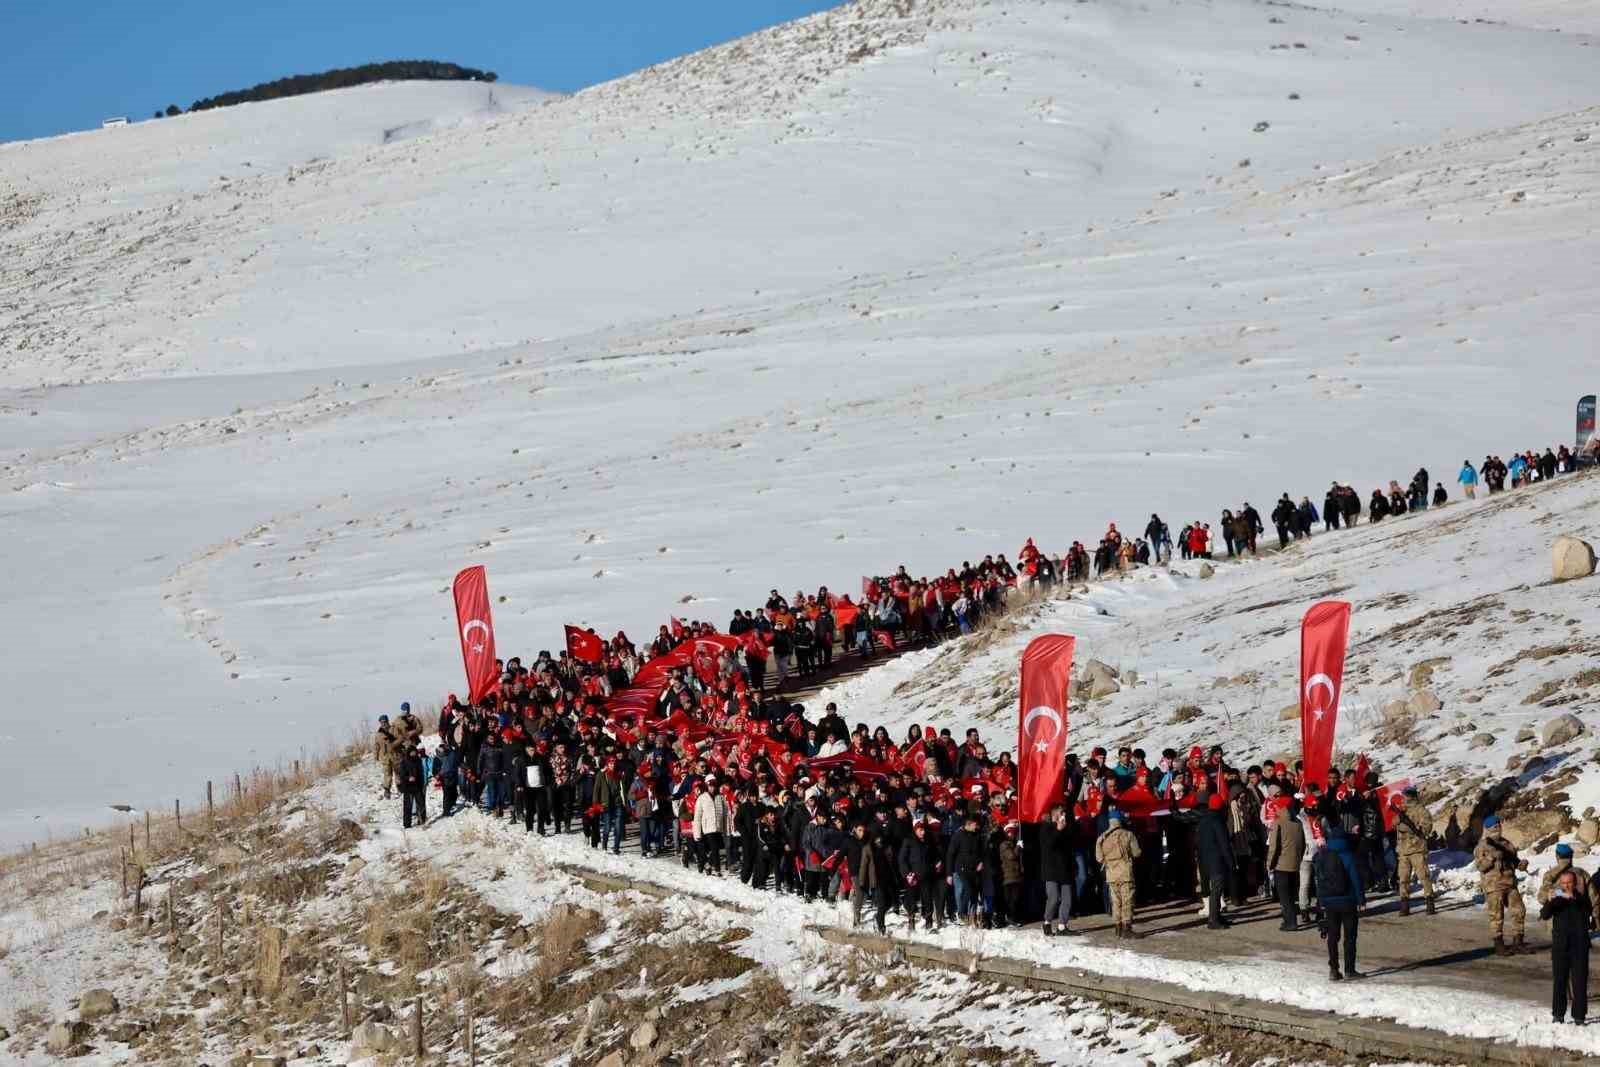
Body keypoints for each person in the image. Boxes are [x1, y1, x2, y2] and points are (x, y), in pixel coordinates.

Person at [1539, 858, 1594, 1025]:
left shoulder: (1582, 898)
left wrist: (1574, 899)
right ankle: (1558, 1014)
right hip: (1561, 946)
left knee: (1579, 982)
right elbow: (1545, 914)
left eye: (1569, 883)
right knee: (1560, 981)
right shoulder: (1557, 899)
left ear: (1575, 883)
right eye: (1563, 883)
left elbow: (1587, 911)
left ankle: (1579, 1016)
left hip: (1579, 946)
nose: (1566, 886)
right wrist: (1549, 900)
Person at [1317, 821, 1365, 981]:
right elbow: (1355, 879)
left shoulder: (1322, 855)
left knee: (1332, 936)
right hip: (1348, 900)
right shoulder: (1348, 854)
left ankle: (1333, 970)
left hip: (1330, 902)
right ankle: (1350, 970)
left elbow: (1320, 880)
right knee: (1350, 936)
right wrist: (1361, 898)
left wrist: (1321, 901)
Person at [1474, 815, 1529, 955]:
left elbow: (1514, 863)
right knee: (1497, 915)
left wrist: (1521, 864)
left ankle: (1519, 942)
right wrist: (1492, 857)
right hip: (1494, 886)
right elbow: (1480, 866)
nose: (1497, 827)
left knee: (1519, 911)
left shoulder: (1507, 844)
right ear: (1487, 829)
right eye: (1494, 826)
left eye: (1498, 825)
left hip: (1510, 883)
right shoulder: (1482, 846)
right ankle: (1499, 944)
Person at [1095, 811, 1142, 938]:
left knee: (1115, 901)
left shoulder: (1102, 838)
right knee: (1127, 900)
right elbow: (1137, 853)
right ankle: (1127, 928)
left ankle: (1117, 927)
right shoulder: (1127, 834)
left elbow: (1099, 858)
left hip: (1111, 874)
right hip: (1125, 873)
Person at [1391, 788, 1435, 916]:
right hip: (1403, 850)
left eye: (1404, 796)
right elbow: (1394, 824)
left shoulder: (1422, 811)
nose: (1403, 798)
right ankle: (1404, 905)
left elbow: (1426, 829)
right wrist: (1397, 822)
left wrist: (1409, 828)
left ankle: (1429, 902)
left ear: (1410, 797)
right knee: (1403, 879)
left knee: (1424, 877)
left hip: (1417, 849)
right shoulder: (1402, 810)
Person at [1266, 798, 1306, 930]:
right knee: (1291, 895)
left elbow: (1273, 847)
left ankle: (1290, 922)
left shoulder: (1278, 822)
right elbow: (1302, 843)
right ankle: (1289, 920)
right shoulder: (1298, 822)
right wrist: (1298, 859)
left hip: (1281, 864)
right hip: (1294, 863)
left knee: (1284, 897)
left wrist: (1269, 864)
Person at [1196, 793, 1234, 929]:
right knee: (1217, 889)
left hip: (1205, 859)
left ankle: (1217, 915)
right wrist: (1231, 862)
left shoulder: (1203, 819)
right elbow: (1224, 844)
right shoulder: (1217, 821)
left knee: (1215, 889)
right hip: (1217, 860)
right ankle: (1213, 919)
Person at [1038, 805, 1077, 936]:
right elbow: (1048, 845)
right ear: (1054, 814)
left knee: (1067, 899)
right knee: (1053, 898)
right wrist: (1058, 830)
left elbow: (1070, 847)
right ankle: (1047, 922)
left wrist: (1074, 865)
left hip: (1066, 869)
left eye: (1064, 812)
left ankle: (1062, 926)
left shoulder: (1067, 827)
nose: (1064, 814)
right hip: (1051, 870)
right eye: (1061, 812)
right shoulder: (1045, 827)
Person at [399, 742, 428, 829]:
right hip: (408, 787)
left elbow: (421, 773)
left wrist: (422, 783)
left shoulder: (418, 760)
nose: (414, 753)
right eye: (412, 752)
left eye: (415, 752)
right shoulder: (404, 762)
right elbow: (402, 775)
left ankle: (422, 820)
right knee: (408, 806)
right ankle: (407, 824)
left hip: (418, 786)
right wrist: (408, 778)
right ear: (409, 752)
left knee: (421, 804)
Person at [373, 714, 399, 799]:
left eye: (385, 722)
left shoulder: (393, 730)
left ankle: (400, 788)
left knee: (398, 772)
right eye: (382, 722)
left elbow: (400, 739)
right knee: (387, 774)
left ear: (388, 721)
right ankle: (387, 790)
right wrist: (375, 755)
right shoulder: (378, 734)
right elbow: (376, 746)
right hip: (385, 757)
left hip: (395, 755)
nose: (383, 724)